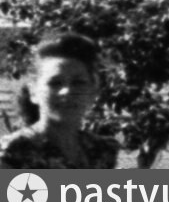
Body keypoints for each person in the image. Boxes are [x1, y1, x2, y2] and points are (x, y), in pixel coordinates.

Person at [3, 33, 121, 170]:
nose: (67, 91)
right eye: (55, 83)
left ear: (93, 90)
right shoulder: (13, 153)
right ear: (33, 92)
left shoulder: (102, 151)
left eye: (78, 83)